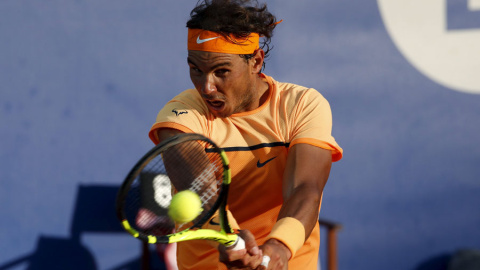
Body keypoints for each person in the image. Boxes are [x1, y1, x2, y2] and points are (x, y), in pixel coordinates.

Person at [148, 0, 343, 269]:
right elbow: (198, 187)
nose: (207, 87)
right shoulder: (180, 114)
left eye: (222, 72)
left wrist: (279, 247)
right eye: (196, 69)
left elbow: (305, 188)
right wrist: (231, 237)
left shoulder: (302, 104)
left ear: (256, 61)